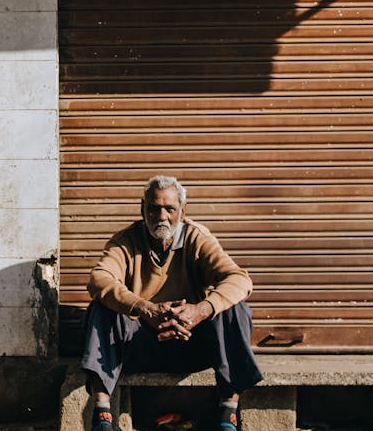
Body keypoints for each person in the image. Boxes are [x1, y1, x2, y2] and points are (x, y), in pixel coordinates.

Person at [82, 175, 263, 431]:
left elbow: (239, 279)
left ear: (182, 210)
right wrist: (145, 309)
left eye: (170, 209)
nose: (162, 216)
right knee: (101, 306)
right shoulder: (125, 241)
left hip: (191, 343)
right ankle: (102, 414)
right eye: (154, 208)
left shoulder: (197, 238)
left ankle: (228, 412)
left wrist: (200, 310)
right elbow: (98, 279)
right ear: (142, 209)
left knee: (234, 307)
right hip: (140, 347)